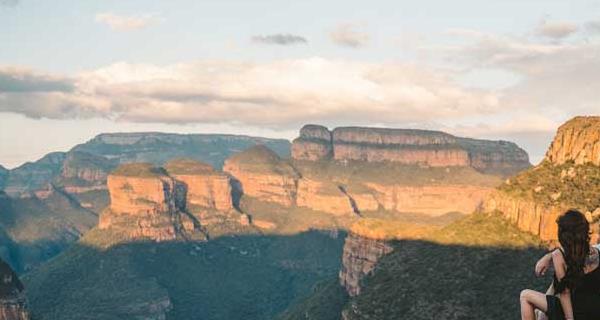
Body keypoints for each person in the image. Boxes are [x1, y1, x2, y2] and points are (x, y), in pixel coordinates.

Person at [520, 210, 600, 320]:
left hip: (575, 312)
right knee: (541, 312)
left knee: (525, 295)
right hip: (595, 311)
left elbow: (565, 294)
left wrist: (570, 319)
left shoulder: (559, 256)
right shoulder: (596, 253)